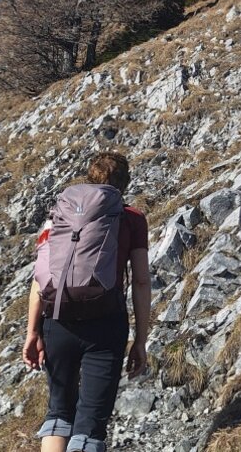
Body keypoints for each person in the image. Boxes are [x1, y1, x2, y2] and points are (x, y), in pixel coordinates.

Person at [22, 152, 151, 452]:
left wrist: (32, 332)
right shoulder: (131, 218)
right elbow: (141, 282)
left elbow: (40, 278)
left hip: (58, 320)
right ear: (125, 184)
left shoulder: (60, 215)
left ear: (89, 178)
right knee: (90, 426)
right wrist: (140, 340)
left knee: (58, 414)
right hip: (105, 325)